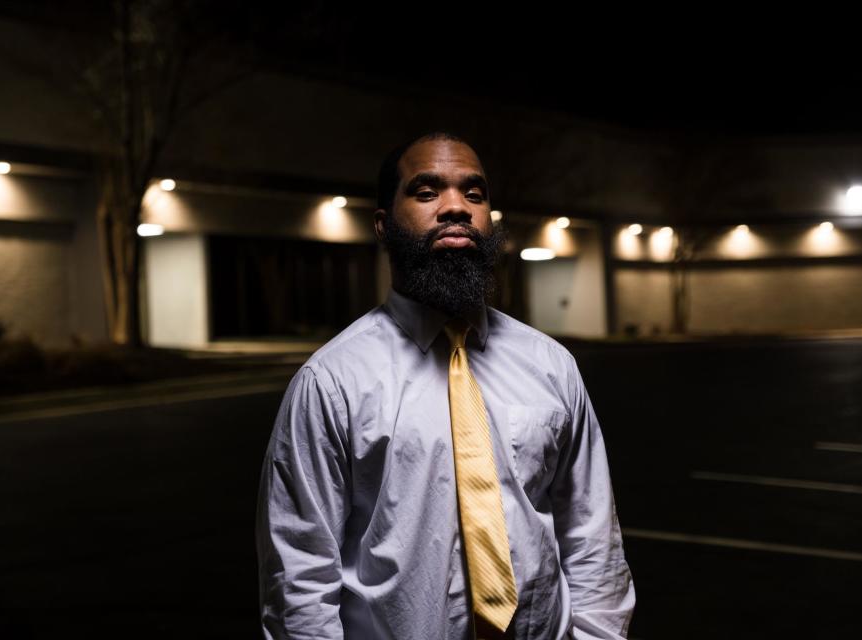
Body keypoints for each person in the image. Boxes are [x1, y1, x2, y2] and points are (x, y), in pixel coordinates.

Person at [256, 132, 635, 639]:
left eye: (474, 194)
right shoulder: (332, 382)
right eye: (427, 191)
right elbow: (300, 577)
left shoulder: (551, 366)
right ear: (383, 225)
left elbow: (591, 537)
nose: (456, 207)